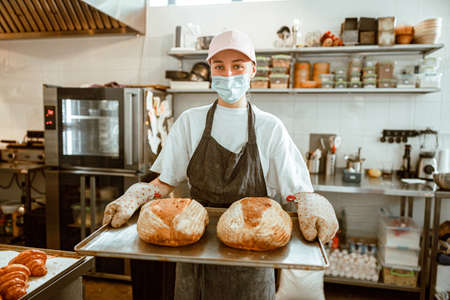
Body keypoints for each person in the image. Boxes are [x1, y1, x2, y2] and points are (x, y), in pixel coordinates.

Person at [103, 30, 338, 300]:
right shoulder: (191, 122)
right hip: (193, 244)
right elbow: (165, 181)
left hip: (254, 251)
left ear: (253, 70)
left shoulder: (270, 127)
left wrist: (313, 204)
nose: (228, 74)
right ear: (211, 71)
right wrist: (134, 196)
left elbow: (297, 191)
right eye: (219, 66)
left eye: (237, 66)